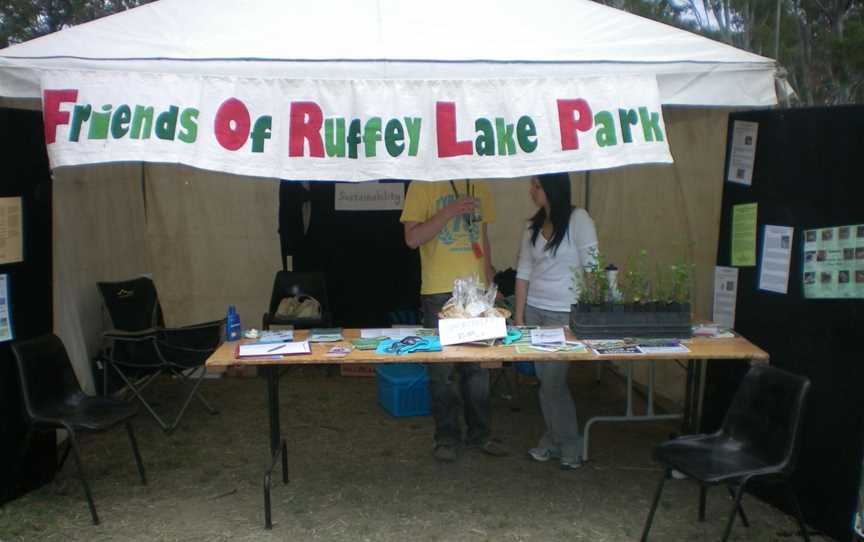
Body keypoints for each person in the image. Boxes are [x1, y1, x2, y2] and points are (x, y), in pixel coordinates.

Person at [400, 179, 507, 463]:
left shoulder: (480, 182)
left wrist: (490, 284)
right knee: (442, 372)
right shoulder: (422, 184)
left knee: (478, 369)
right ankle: (446, 438)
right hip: (438, 291)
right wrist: (449, 211)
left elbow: (483, 239)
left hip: (476, 292)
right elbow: (412, 239)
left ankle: (481, 434)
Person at [513, 172, 598, 470]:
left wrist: (594, 310)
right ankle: (553, 439)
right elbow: (523, 271)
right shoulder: (532, 225)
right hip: (535, 311)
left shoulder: (579, 220)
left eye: (536, 186)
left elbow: (593, 268)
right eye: (532, 186)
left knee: (553, 383)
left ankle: (570, 445)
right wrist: (519, 315)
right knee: (545, 382)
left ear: (552, 188)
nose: (531, 191)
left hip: (565, 314)